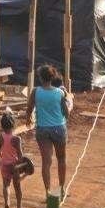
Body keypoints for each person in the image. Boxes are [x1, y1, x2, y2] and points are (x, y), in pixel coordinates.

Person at [26, 65, 70, 197]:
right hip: (59, 128)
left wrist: (28, 119)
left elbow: (29, 108)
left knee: (46, 162)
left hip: (42, 129)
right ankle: (62, 189)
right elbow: (66, 113)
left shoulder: (36, 91)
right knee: (61, 159)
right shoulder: (60, 93)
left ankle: (48, 192)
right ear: (53, 77)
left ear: (40, 77)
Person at [0, 112, 24, 208]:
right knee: (17, 186)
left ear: (2, 126)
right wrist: (21, 165)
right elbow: (20, 155)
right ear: (14, 125)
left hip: (5, 164)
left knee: (6, 185)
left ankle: (7, 204)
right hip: (15, 165)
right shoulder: (17, 139)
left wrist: (3, 156)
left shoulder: (0, 137)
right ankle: (19, 207)